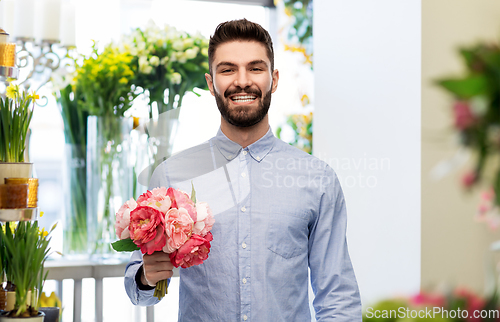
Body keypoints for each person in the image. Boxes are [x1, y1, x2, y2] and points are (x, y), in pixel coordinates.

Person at [125, 18, 362, 321]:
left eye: (255, 68)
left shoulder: (318, 180)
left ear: (273, 80)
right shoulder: (173, 176)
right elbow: (138, 290)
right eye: (227, 70)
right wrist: (146, 278)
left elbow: (337, 297)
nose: (242, 81)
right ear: (211, 83)